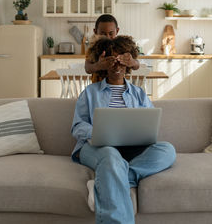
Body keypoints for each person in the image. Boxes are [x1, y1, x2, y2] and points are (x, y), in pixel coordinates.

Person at [71, 36, 176, 224]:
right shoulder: (90, 92)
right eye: (112, 61)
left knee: (167, 150)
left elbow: (150, 121)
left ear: (128, 65)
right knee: (111, 156)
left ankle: (104, 181)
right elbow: (78, 126)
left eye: (121, 61)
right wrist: (97, 133)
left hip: (131, 149)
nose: (116, 66)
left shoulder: (139, 93)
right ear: (104, 65)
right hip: (98, 148)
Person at [85, 14, 140, 83]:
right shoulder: (93, 49)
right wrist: (98, 66)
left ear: (117, 31)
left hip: (118, 86)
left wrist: (132, 62)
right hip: (98, 90)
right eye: (103, 34)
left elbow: (137, 65)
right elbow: (87, 69)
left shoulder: (121, 47)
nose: (107, 37)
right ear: (95, 31)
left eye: (111, 33)